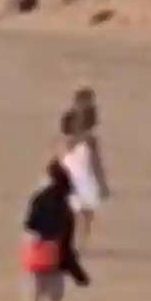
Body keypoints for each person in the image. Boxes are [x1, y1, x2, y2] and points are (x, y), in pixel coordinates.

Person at [24, 159, 87, 301]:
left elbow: (30, 225)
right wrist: (78, 273)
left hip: (37, 254)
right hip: (56, 258)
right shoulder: (66, 209)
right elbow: (67, 244)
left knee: (33, 300)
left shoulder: (39, 199)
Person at [58, 88, 109, 248]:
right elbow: (96, 163)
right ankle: (80, 243)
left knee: (72, 213)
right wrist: (102, 184)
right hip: (84, 177)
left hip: (71, 174)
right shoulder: (89, 140)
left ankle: (69, 242)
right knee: (85, 214)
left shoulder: (67, 140)